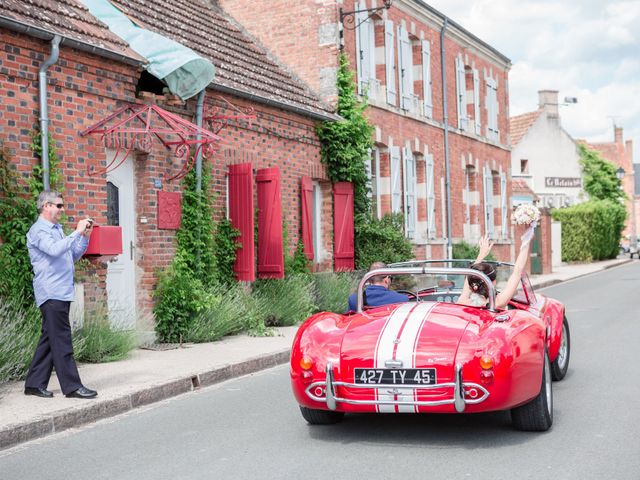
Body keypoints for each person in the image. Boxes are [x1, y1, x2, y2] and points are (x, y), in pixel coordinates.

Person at [23, 191, 98, 399]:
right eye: (59, 205)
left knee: (50, 338)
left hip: (61, 292)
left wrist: (84, 237)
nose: (62, 209)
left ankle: (34, 384)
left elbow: (71, 255)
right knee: (62, 339)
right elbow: (55, 250)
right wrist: (76, 232)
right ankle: (72, 387)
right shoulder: (39, 230)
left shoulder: (57, 229)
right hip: (51, 292)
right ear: (46, 206)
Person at [457, 234, 532, 310]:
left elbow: (471, 275)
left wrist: (481, 255)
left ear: (472, 286)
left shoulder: (463, 301)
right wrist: (526, 240)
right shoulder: (498, 302)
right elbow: (517, 271)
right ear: (492, 282)